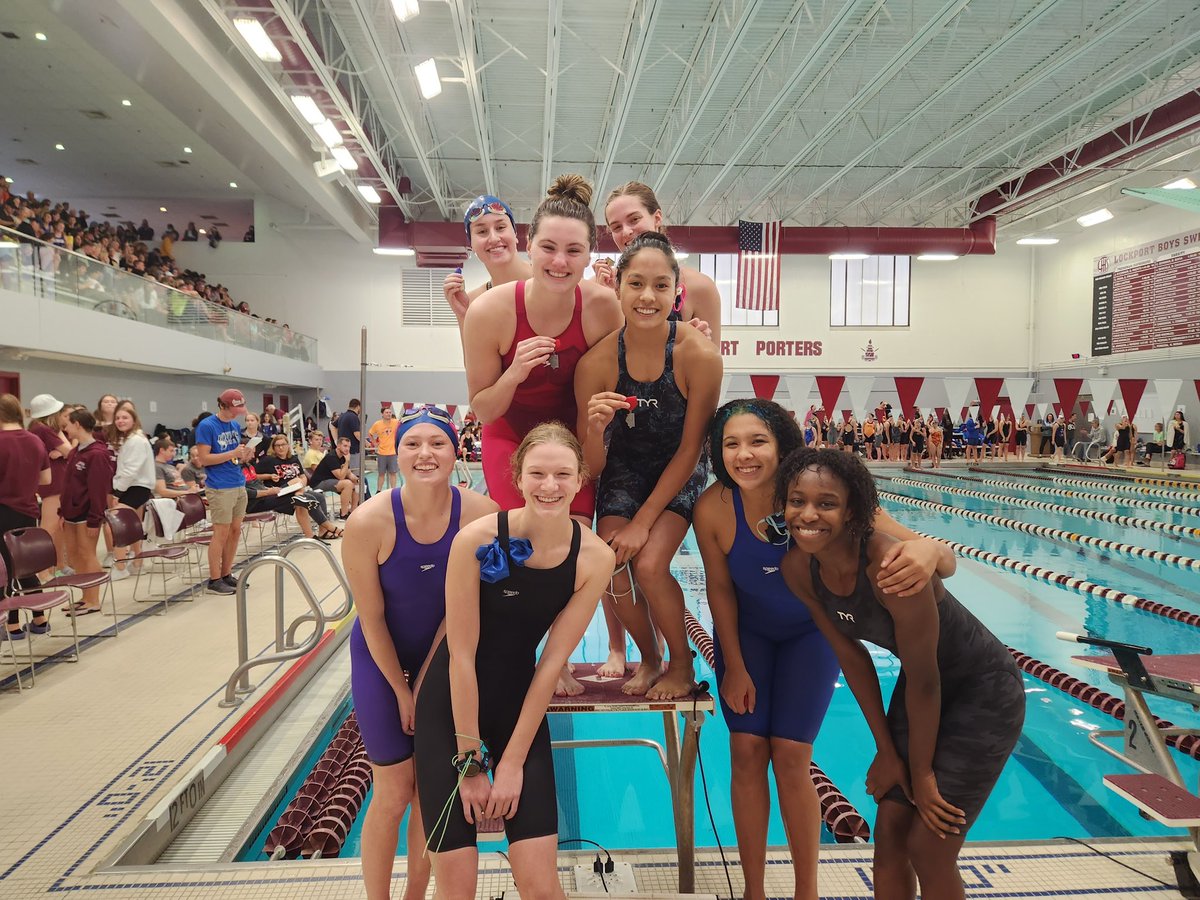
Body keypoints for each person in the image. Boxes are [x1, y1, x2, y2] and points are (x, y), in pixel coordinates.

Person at [694, 400, 956, 900]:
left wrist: (927, 550)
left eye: (757, 442)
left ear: (782, 445)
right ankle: (753, 891)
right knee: (746, 750)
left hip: (811, 635)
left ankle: (806, 893)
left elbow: (934, 553)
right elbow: (719, 589)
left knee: (792, 756)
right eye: (731, 444)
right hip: (746, 635)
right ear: (717, 451)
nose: (744, 455)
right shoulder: (712, 508)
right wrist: (733, 665)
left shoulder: (819, 490)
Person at [779, 449, 1023, 900]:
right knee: (889, 839)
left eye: (826, 503)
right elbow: (851, 659)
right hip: (920, 690)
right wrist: (889, 752)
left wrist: (923, 773)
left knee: (929, 847)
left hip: (983, 692)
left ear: (852, 509)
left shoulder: (890, 566)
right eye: (797, 501)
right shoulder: (799, 569)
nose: (808, 514)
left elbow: (927, 677)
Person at [414, 423, 614, 899]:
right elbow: (460, 654)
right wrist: (471, 765)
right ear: (518, 478)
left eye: (563, 474)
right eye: (538, 474)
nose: (550, 486)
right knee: (456, 889)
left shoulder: (595, 558)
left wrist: (511, 763)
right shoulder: (475, 539)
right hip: (449, 710)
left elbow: (551, 664)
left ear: (581, 478)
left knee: (541, 885)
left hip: (519, 710)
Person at [345, 406, 497, 900]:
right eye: (413, 444)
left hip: (444, 660)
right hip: (379, 658)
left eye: (438, 443)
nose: (425, 454)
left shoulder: (480, 514)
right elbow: (370, 620)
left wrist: (428, 684)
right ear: (396, 451)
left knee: (429, 789)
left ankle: (415, 893)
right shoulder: (368, 521)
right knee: (392, 792)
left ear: (457, 452)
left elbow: (469, 610)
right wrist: (401, 689)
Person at [575, 232, 722, 699]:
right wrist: (594, 431)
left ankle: (681, 663)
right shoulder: (595, 364)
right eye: (636, 283)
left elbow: (691, 449)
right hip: (624, 468)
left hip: (678, 468)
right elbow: (594, 467)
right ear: (617, 286)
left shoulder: (698, 355)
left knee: (652, 564)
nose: (646, 297)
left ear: (676, 292)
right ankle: (650, 656)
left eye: (660, 285)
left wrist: (642, 523)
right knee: (609, 564)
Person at [599, 182, 720, 344]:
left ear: (657, 218)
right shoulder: (599, 287)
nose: (626, 231)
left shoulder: (700, 287)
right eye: (616, 227)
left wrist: (696, 347)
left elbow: (712, 365)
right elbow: (599, 360)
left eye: (634, 219)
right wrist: (607, 300)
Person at [443, 195, 532, 335]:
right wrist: (463, 316)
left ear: (515, 233)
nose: (494, 238)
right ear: (471, 245)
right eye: (482, 231)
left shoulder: (546, 278)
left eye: (501, 227)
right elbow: (472, 358)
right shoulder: (473, 302)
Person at [0, 394, 52, 637]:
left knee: (5, 571)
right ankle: (39, 619)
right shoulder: (34, 440)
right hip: (29, 511)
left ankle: (12, 624)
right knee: (25, 566)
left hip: (3, 511)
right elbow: (46, 479)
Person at [194, 389, 251, 595]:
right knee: (221, 533)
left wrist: (244, 454)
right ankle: (214, 578)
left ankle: (226, 573)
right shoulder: (207, 426)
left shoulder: (234, 425)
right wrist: (231, 453)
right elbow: (204, 459)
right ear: (223, 406)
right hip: (219, 486)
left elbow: (235, 457)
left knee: (236, 530)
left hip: (237, 481)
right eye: (234, 409)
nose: (237, 413)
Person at [59, 409, 114, 615]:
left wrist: (95, 519)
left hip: (87, 515)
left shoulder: (97, 454)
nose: (65, 428)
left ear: (78, 425)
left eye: (68, 424)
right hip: (71, 513)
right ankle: (85, 596)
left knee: (87, 554)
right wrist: (61, 511)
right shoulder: (75, 452)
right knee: (75, 556)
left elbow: (98, 490)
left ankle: (94, 600)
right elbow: (68, 485)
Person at [256, 435, 343, 540]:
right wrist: (269, 476)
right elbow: (253, 475)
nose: (280, 447)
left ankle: (323, 530)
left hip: (296, 490)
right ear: (273, 447)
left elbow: (303, 476)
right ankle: (329, 528)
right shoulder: (269, 460)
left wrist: (301, 485)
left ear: (288, 446)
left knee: (319, 497)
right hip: (280, 492)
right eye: (277, 445)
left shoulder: (293, 459)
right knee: (303, 494)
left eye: (283, 445)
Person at [107, 401, 156, 580]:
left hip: (135, 487)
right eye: (118, 418)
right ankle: (138, 561)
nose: (120, 421)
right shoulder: (131, 438)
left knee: (117, 523)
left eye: (125, 417)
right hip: (135, 486)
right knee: (134, 524)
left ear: (134, 419)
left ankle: (120, 567)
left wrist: (117, 492)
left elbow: (130, 470)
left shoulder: (135, 440)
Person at [27, 393, 73, 577]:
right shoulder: (44, 429)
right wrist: (60, 446)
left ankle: (58, 565)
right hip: (54, 484)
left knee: (57, 526)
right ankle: (43, 571)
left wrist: (59, 451)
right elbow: (69, 451)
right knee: (49, 527)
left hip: (56, 482)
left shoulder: (38, 428)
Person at [312, 436, 360, 516]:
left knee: (356, 484)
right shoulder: (331, 457)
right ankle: (344, 514)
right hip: (319, 483)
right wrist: (347, 461)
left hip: (331, 481)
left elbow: (348, 473)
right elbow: (340, 477)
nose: (347, 449)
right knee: (348, 484)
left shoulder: (343, 457)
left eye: (348, 447)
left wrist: (357, 480)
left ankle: (353, 511)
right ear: (338, 446)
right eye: (345, 446)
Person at [368, 405, 400, 491]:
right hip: (382, 453)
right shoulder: (377, 424)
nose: (389, 414)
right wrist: (374, 443)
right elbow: (370, 433)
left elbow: (403, 424)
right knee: (381, 473)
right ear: (382, 414)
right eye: (386, 412)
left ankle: (393, 490)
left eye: (390, 412)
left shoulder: (396, 422)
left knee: (393, 473)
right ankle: (379, 490)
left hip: (393, 452)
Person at [339, 399, 363, 472]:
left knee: (346, 471)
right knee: (355, 472)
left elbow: (332, 426)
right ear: (358, 406)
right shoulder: (353, 417)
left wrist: (336, 440)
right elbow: (357, 434)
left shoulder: (342, 416)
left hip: (343, 450)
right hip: (353, 450)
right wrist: (365, 443)